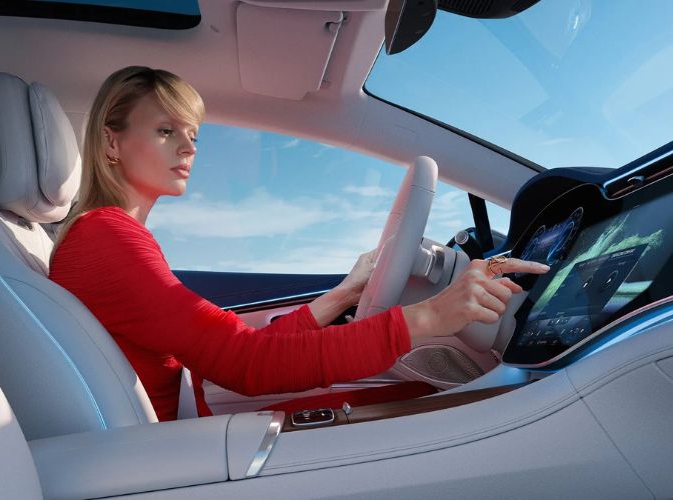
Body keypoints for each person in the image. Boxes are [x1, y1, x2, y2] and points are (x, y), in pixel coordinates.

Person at [49, 66, 549, 421]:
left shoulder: (110, 235)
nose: (187, 147)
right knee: (440, 411)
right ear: (111, 143)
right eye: (165, 130)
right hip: (180, 455)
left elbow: (237, 348)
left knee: (414, 392)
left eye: (193, 134)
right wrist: (431, 317)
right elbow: (247, 365)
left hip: (186, 434)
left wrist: (347, 294)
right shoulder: (106, 237)